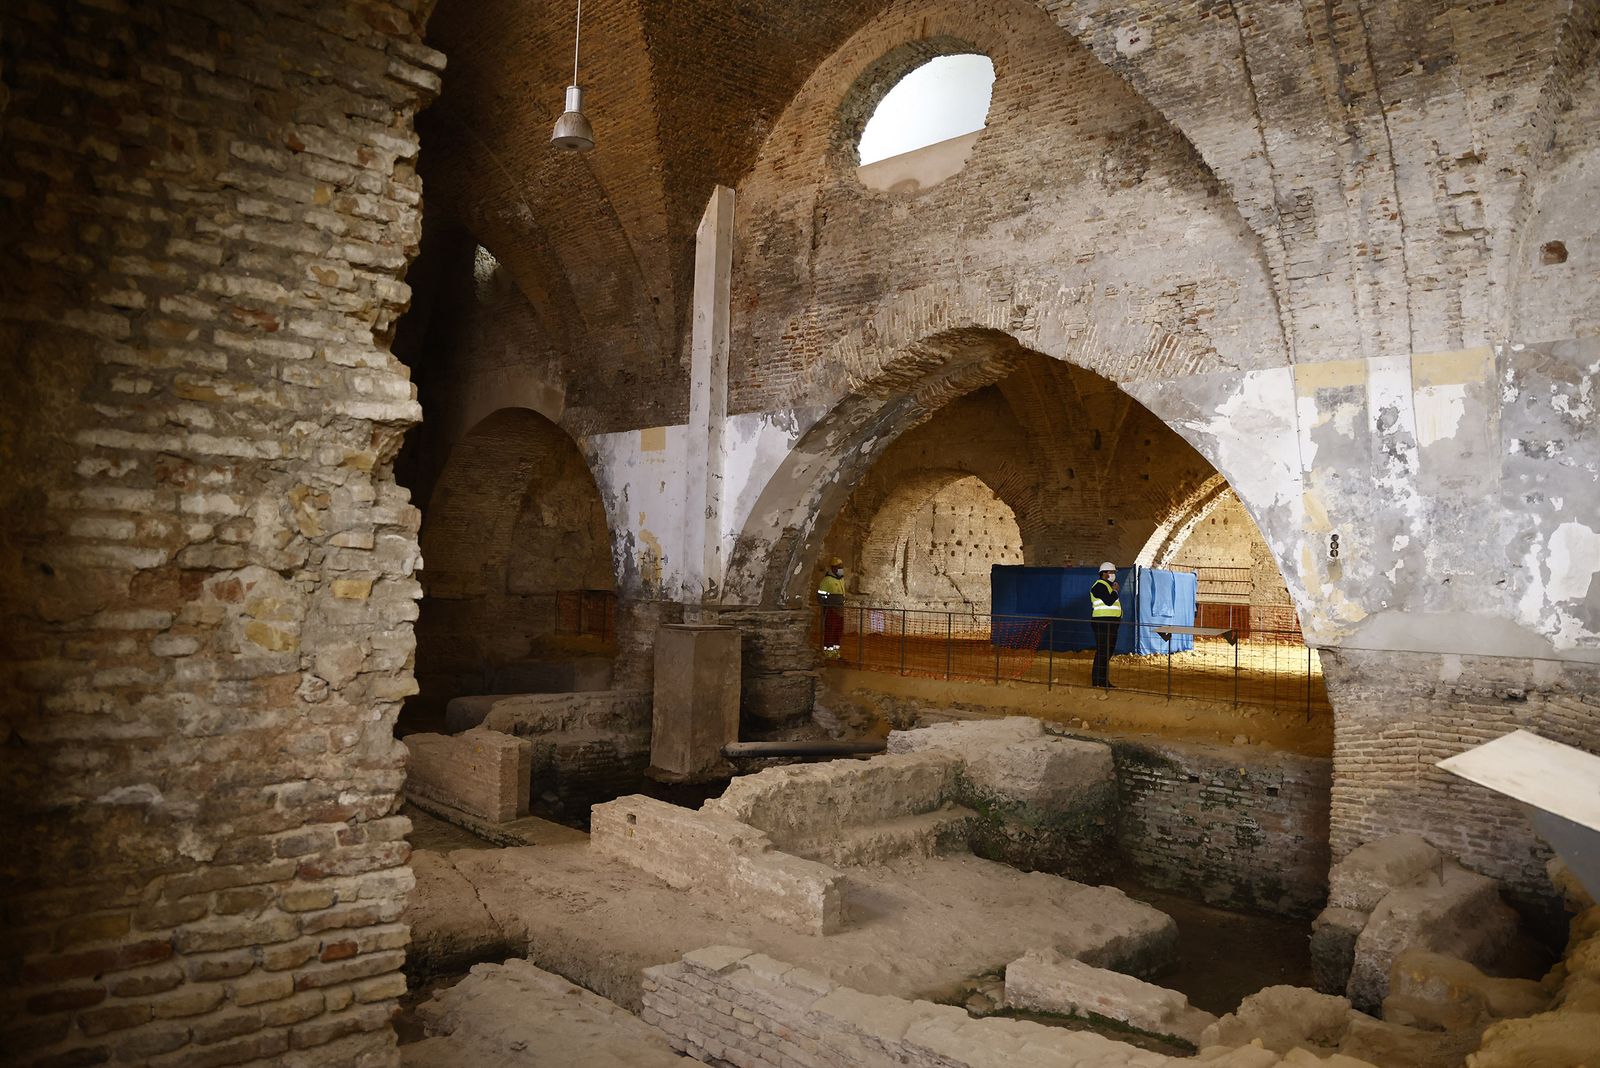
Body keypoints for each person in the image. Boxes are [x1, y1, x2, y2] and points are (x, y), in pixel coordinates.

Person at [1090, 561, 1121, 688]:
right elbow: (1108, 601)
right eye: (1111, 572)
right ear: (1104, 573)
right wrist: (1114, 591)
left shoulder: (1108, 586)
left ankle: (1103, 681)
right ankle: (1098, 681)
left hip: (1111, 622)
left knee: (1107, 652)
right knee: (1103, 652)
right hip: (1102, 622)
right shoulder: (1099, 586)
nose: (1113, 574)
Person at [817, 557, 846, 658]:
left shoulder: (841, 579)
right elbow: (821, 595)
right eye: (839, 567)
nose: (841, 569)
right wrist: (826, 605)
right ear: (833, 568)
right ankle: (827, 652)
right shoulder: (827, 580)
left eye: (841, 567)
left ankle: (835, 652)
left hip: (840, 609)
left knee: (838, 631)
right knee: (830, 630)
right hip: (831, 610)